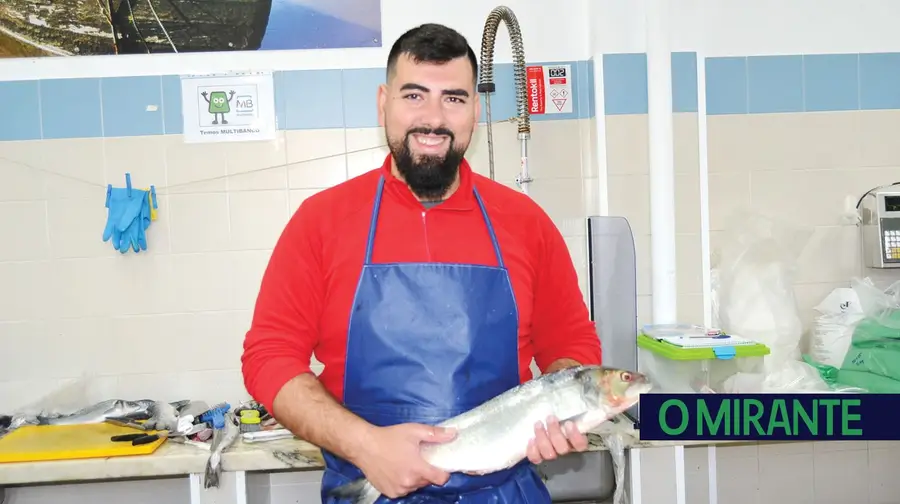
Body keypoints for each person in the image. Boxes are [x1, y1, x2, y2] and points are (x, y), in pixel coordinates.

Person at [241, 22, 602, 504]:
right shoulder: (322, 222)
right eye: (414, 96)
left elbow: (570, 344)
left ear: (475, 110)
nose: (433, 118)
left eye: (453, 98)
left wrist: (561, 411)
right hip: (369, 490)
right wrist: (368, 446)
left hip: (503, 493)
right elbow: (269, 355)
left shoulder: (526, 223)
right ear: (383, 103)